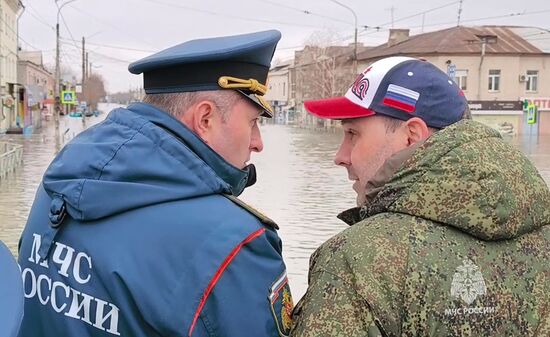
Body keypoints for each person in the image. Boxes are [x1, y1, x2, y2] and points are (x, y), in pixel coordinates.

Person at [17, 30, 293, 337]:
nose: (257, 143)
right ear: (205, 118)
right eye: (253, 122)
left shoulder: (58, 181)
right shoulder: (235, 243)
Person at [291, 56, 550, 336]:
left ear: (412, 136)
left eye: (353, 133)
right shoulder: (542, 236)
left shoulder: (358, 259)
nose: (340, 157)